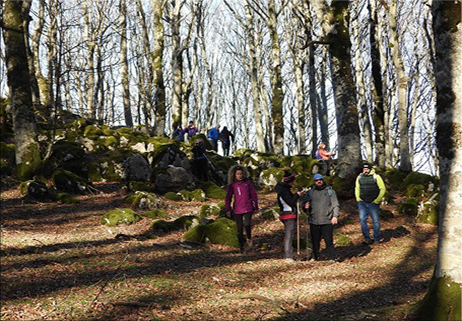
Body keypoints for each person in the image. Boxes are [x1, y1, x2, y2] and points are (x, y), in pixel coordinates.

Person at [301, 174, 340, 261]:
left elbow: (335, 205)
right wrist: (305, 206)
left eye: (320, 180)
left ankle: (331, 257)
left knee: (328, 240)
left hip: (327, 220)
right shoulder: (310, 192)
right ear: (314, 182)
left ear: (323, 180)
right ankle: (315, 256)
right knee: (315, 241)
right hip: (314, 220)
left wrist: (335, 216)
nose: (319, 181)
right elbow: (304, 205)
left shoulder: (330, 191)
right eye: (316, 180)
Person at [225, 165, 259, 253]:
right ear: (234, 175)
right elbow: (228, 198)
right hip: (237, 209)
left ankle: (249, 239)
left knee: (247, 224)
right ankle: (241, 246)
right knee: (239, 229)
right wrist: (228, 209)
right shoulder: (232, 185)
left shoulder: (248, 183)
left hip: (248, 207)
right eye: (237, 174)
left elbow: (254, 195)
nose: (239, 176)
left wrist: (255, 206)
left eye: (241, 174)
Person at [355, 163, 386, 245]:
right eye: (364, 169)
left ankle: (377, 239)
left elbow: (382, 189)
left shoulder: (376, 177)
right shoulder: (359, 177)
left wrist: (377, 200)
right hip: (362, 203)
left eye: (367, 169)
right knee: (362, 220)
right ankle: (367, 238)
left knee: (375, 221)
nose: (365, 171)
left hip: (373, 203)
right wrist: (358, 198)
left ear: (370, 169)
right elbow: (357, 188)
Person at [275, 171, 302, 263]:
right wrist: (297, 195)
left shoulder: (283, 189)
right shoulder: (284, 190)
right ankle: (288, 256)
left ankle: (289, 255)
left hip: (287, 213)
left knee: (289, 234)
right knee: (289, 235)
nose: (293, 183)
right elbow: (290, 201)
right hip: (288, 214)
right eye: (292, 181)